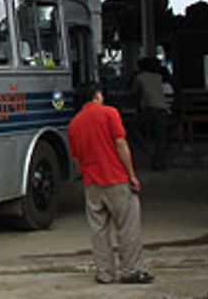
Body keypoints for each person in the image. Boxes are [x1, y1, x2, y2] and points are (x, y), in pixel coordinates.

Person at [67, 82, 154, 285]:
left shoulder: (74, 124)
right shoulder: (110, 113)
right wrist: (131, 174)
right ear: (97, 95)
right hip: (115, 177)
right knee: (127, 225)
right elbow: (120, 143)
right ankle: (131, 270)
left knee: (98, 229)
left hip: (91, 182)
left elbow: (76, 157)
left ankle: (104, 273)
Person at [130, 57, 169, 170]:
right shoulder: (158, 77)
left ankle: (143, 146)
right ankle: (159, 161)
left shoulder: (140, 78)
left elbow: (134, 92)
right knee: (161, 137)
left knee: (132, 127)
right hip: (162, 109)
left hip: (148, 109)